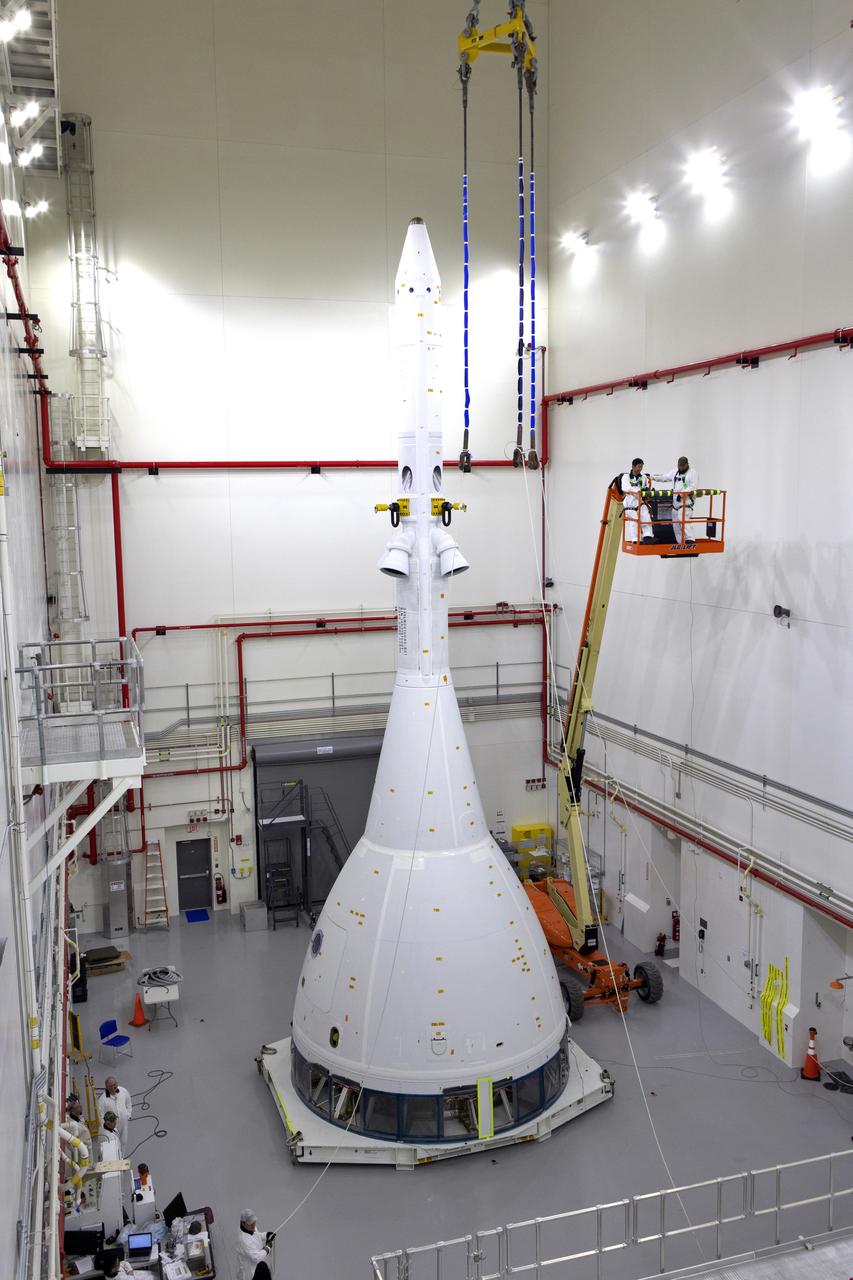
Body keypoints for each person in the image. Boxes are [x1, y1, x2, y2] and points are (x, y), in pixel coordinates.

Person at [653, 455, 698, 545]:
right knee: (676, 525)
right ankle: (680, 543)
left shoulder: (693, 473)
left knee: (683, 519)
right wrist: (653, 477)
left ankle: (690, 539)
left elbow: (693, 488)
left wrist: (681, 494)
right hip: (675, 505)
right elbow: (665, 477)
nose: (680, 468)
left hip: (686, 503)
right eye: (679, 466)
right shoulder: (675, 472)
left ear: (687, 465)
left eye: (682, 466)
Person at [620, 458, 654, 543]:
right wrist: (637, 490)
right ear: (633, 466)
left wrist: (646, 491)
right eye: (639, 466)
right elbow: (625, 488)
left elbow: (645, 487)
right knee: (634, 521)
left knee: (646, 517)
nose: (640, 469)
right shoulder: (625, 477)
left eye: (641, 467)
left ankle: (647, 537)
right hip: (630, 503)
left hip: (640, 501)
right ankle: (636, 540)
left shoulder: (643, 478)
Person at [236, 1209, 276, 1280]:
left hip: (258, 1267)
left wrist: (266, 1235)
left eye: (254, 1222)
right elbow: (256, 1257)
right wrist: (267, 1248)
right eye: (251, 1224)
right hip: (251, 1272)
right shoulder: (243, 1240)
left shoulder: (249, 1227)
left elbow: (256, 1235)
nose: (253, 1226)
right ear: (243, 1223)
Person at [97, 1075, 132, 1148]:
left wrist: (128, 1115)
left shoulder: (123, 1091)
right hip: (113, 1126)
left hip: (124, 1123)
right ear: (107, 1088)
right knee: (115, 1144)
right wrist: (108, 1129)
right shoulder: (102, 1100)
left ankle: (122, 1157)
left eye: (115, 1084)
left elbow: (128, 1103)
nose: (115, 1086)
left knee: (123, 1142)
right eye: (112, 1085)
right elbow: (100, 1116)